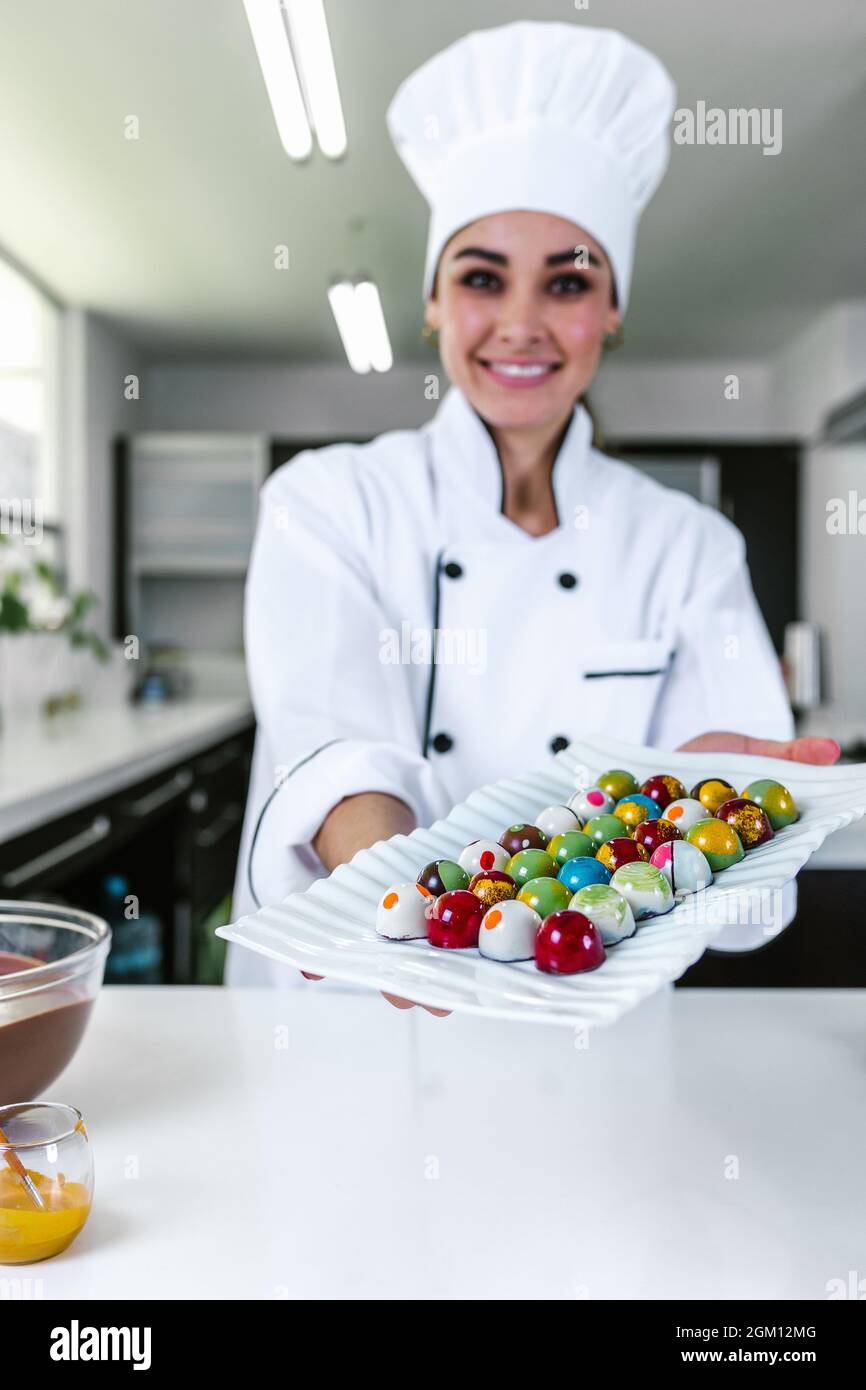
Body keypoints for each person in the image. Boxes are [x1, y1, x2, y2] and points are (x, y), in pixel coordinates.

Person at [227, 22, 838, 1003]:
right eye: (480, 278)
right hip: (355, 1004)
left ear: (612, 311)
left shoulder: (689, 546)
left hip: (587, 1000)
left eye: (567, 281)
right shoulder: (327, 501)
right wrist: (404, 913)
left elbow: (742, 878)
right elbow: (331, 748)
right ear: (433, 300)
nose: (520, 324)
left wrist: (697, 808)